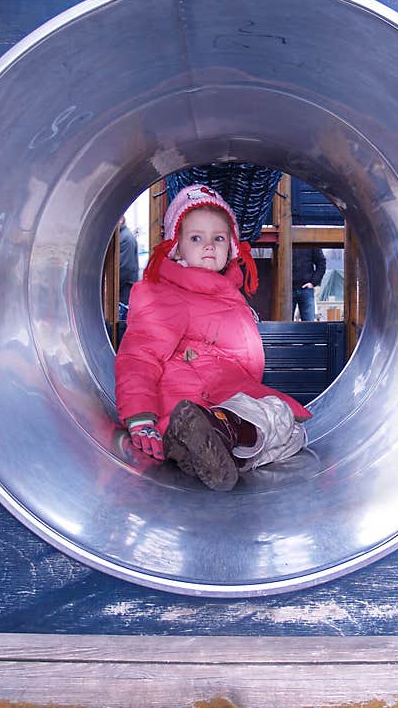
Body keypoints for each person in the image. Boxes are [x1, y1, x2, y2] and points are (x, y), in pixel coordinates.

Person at [115, 184, 312, 491]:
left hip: (211, 404)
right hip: (202, 404)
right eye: (196, 238)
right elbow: (140, 354)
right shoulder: (166, 293)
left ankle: (206, 454)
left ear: (232, 247)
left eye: (218, 238)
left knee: (293, 435)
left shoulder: (226, 294)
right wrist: (141, 417)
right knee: (280, 415)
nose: (209, 245)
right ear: (175, 247)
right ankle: (225, 431)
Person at [292, 246, 326, 321]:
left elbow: (321, 263)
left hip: (306, 289)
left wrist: (313, 282)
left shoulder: (310, 240)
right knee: (284, 324)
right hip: (288, 289)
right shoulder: (285, 238)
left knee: (309, 324)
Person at [117, 215, 139, 320]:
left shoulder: (125, 239)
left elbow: (124, 269)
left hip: (123, 291)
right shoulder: (122, 237)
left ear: (121, 220)